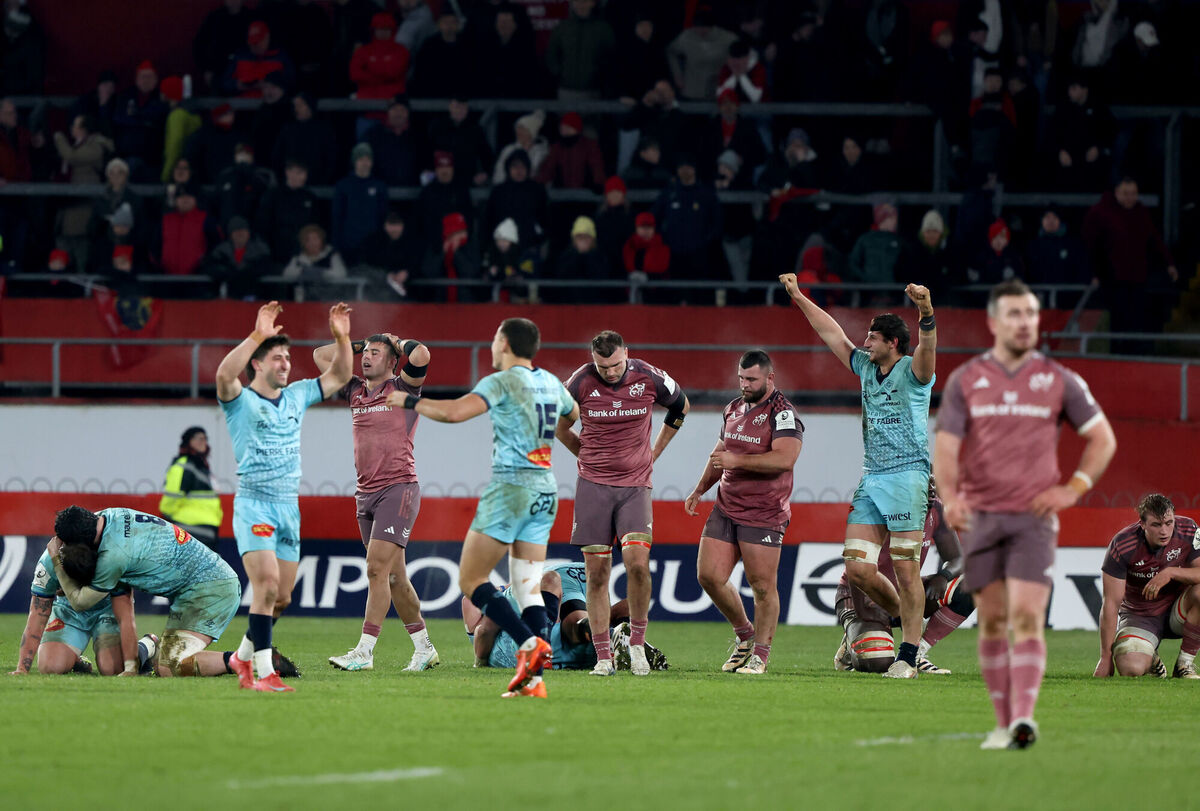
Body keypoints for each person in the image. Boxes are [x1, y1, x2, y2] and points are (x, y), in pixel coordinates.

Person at [933, 279, 1117, 749]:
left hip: (1033, 520)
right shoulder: (967, 381)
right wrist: (951, 497)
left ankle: (1025, 719)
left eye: (1031, 314)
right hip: (982, 519)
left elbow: (1102, 438)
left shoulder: (1059, 379)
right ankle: (1002, 723)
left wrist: (1074, 488)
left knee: (1028, 618)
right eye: (1014, 314)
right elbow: (947, 448)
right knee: (992, 620)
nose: (1024, 322)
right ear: (994, 321)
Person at [384, 318, 579, 699]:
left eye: (494, 339)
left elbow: (456, 413)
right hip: (545, 488)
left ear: (504, 343)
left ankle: (529, 644)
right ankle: (532, 679)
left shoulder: (502, 380)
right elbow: (572, 416)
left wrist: (408, 400)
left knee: (471, 581)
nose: (491, 346)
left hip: (511, 487)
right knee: (527, 586)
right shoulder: (551, 382)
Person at [780, 272, 937, 679]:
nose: (864, 343)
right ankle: (911, 630)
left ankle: (908, 655)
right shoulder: (866, 368)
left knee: (905, 569)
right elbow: (831, 333)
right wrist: (798, 297)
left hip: (907, 478)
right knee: (858, 568)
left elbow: (928, 348)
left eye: (872, 338)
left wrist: (926, 311)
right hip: (872, 478)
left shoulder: (914, 374)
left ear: (892, 343)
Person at [216, 301, 354, 692]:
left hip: (288, 507)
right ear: (257, 364)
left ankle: (242, 658)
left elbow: (341, 373)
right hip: (255, 503)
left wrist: (341, 336)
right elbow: (225, 373)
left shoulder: (296, 396)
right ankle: (264, 673)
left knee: (282, 598)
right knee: (268, 586)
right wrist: (258, 335)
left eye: (288, 358)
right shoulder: (239, 400)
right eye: (276, 358)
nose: (285, 364)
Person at [556, 330, 689, 676]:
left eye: (615, 365)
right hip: (593, 488)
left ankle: (636, 645)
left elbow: (680, 406)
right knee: (597, 573)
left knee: (638, 564)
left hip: (634, 487)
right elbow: (558, 424)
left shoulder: (648, 376)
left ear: (626, 354)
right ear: (593, 360)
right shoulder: (579, 382)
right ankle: (603, 656)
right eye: (603, 367)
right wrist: (584, 454)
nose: (610, 372)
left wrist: (653, 452)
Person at [316, 333, 439, 673]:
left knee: (375, 569)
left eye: (375, 353)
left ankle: (364, 651)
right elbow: (319, 355)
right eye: (365, 353)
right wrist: (357, 344)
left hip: (398, 489)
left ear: (391, 361)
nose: (366, 358)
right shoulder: (354, 389)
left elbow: (422, 353)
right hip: (365, 494)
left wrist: (397, 342)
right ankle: (424, 647)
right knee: (395, 578)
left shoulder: (403, 389)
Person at [684, 350, 803, 674]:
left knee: (762, 587)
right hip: (726, 506)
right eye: (741, 378)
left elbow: (784, 460)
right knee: (709, 576)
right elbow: (719, 454)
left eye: (751, 379)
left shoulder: (783, 414)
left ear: (769, 378)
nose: (745, 384)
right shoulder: (733, 409)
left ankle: (760, 656)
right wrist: (699, 489)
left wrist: (738, 461)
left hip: (763, 512)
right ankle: (745, 635)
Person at [44, 505, 241, 679]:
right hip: (205, 583)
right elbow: (124, 605)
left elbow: (80, 603)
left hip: (209, 589)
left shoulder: (113, 557)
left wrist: (56, 561)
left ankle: (250, 660)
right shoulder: (110, 515)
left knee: (169, 666)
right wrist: (130, 666)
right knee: (161, 663)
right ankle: (148, 647)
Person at [834, 480, 974, 674]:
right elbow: (856, 567)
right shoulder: (879, 507)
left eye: (932, 482)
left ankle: (915, 654)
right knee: (878, 663)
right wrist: (862, 610)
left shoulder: (937, 509)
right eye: (923, 480)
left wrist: (943, 576)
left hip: (906, 594)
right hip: (865, 596)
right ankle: (851, 645)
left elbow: (958, 558)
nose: (930, 489)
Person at [463, 562, 666, 672]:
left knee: (576, 622)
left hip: (554, 595)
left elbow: (483, 631)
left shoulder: (498, 641)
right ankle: (626, 642)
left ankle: (620, 640)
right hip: (569, 587)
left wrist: (479, 664)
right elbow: (483, 629)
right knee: (589, 621)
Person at [1095, 494, 1200, 680]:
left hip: (1178, 611)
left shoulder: (1189, 529)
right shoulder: (1122, 544)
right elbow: (1111, 603)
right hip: (1140, 616)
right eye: (1156, 525)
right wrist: (1105, 658)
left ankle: (1184, 664)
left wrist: (1170, 572)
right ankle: (1150, 657)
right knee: (1131, 669)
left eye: (1169, 523)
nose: (1164, 531)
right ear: (1142, 524)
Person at [11, 545, 136, 676]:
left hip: (108, 609)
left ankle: (147, 646)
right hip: (69, 610)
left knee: (112, 669)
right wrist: (22, 668)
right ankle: (73, 659)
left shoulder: (112, 557)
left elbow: (125, 612)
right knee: (50, 667)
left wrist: (130, 666)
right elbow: (38, 614)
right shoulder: (48, 562)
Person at [159, 426, 223, 554]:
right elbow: (172, 497)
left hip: (207, 533)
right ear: (188, 441)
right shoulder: (184, 465)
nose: (203, 442)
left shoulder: (202, 467)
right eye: (199, 438)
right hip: (188, 531)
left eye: (205, 439)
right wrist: (169, 517)